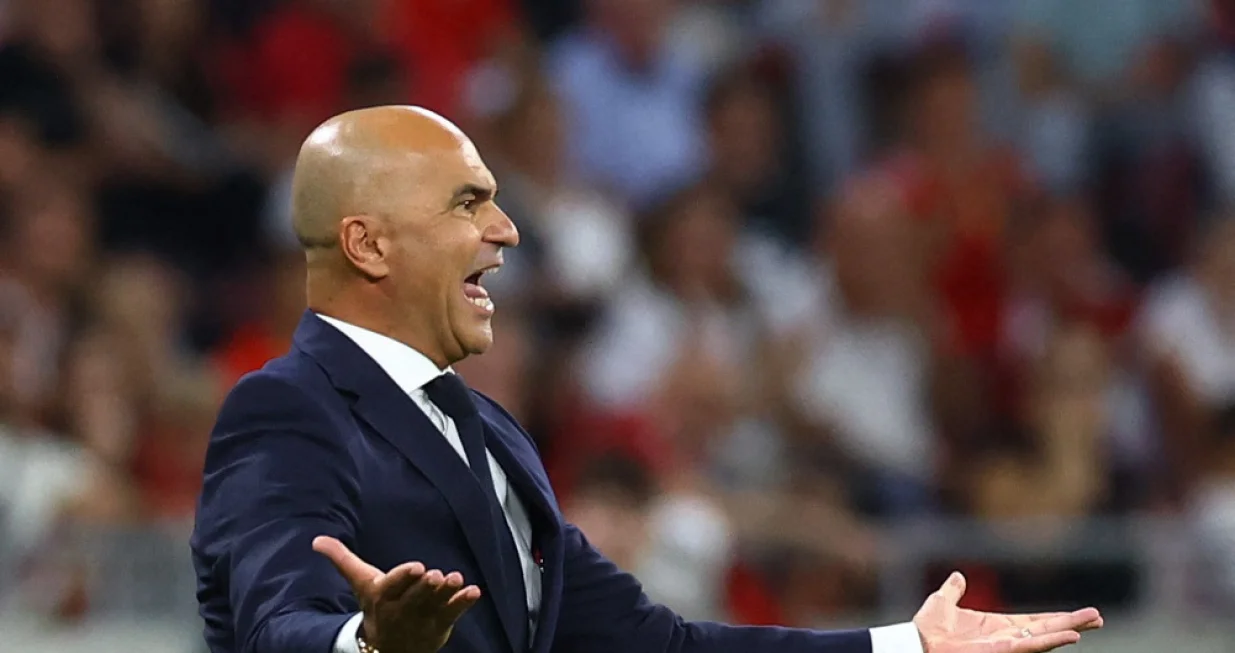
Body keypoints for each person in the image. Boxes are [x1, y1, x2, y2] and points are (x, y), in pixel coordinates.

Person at [190, 106, 1104, 653]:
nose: (507, 230)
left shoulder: (492, 432)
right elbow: (277, 618)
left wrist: (906, 643)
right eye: (469, 202)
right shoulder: (284, 408)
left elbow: (654, 645)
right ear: (368, 243)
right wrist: (367, 643)